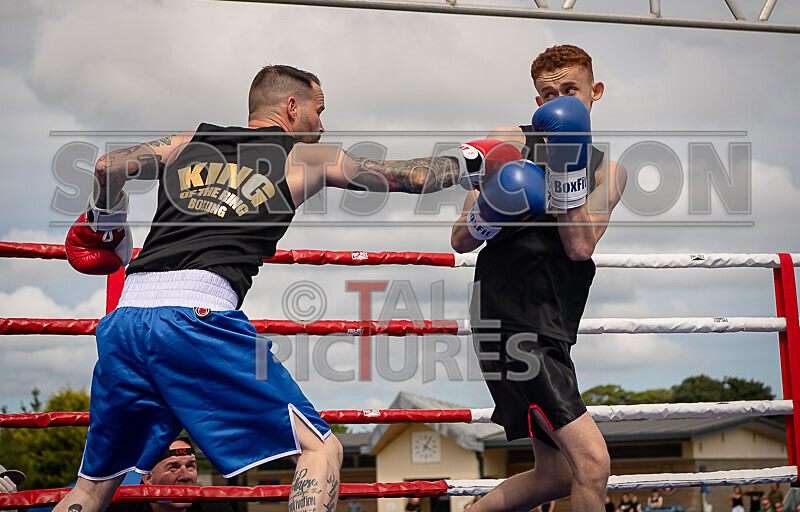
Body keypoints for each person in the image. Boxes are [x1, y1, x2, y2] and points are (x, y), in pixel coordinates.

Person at [58, 64, 497, 512]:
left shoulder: (188, 141)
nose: (322, 124)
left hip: (125, 322)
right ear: (292, 107)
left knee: (93, 489)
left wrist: (107, 225)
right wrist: (477, 160)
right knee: (323, 450)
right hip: (196, 317)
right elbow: (408, 177)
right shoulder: (305, 157)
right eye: (318, 111)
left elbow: (107, 166)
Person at [452, 45, 626, 512]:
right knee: (592, 465)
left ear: (595, 92)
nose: (558, 101)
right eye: (548, 95)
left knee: (556, 476)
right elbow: (460, 239)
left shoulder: (610, 172)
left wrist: (565, 171)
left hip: (553, 324)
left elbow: (579, 246)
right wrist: (491, 209)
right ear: (536, 102)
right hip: (508, 319)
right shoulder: (509, 140)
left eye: (570, 90)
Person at [106, 437, 232, 512]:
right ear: (148, 477)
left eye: (190, 466)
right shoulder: (119, 510)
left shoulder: (217, 509)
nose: (185, 476)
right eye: (173, 468)